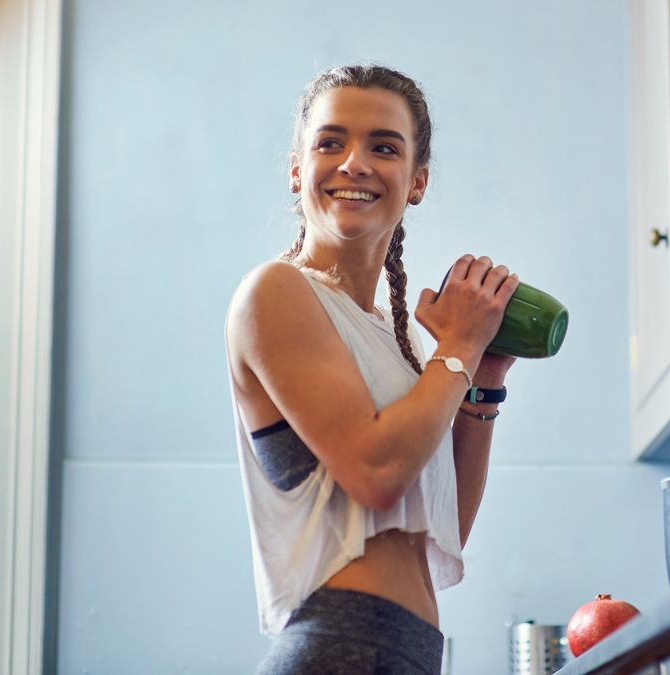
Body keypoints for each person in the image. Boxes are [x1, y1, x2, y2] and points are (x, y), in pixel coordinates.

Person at [224, 64, 520, 674]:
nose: (354, 162)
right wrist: (458, 346)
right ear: (297, 170)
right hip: (339, 647)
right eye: (330, 143)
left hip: (407, 652)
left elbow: (443, 524)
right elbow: (377, 471)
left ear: (417, 181)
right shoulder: (275, 293)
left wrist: (481, 375)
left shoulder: (403, 341)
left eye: (383, 147)